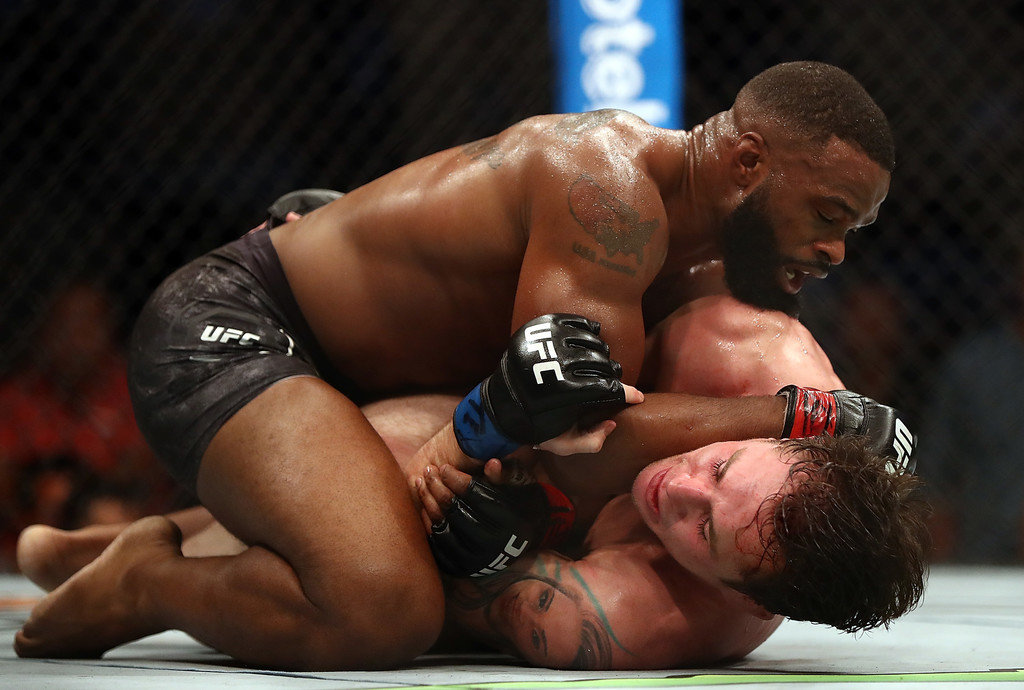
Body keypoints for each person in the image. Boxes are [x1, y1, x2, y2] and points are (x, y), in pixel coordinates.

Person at [14, 61, 898, 669]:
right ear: (747, 161)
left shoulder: (703, 265)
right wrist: (801, 415)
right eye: (827, 213)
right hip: (240, 330)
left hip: (357, 378)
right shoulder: (612, 192)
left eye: (851, 230)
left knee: (480, 480)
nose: (834, 250)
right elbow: (569, 421)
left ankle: (80, 553)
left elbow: (543, 419)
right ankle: (149, 580)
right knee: (382, 608)